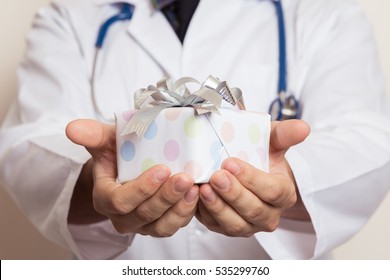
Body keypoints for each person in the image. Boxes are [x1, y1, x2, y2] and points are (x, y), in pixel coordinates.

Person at [0, 0, 389, 260]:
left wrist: (291, 181)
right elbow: (26, 141)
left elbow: (368, 138)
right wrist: (91, 181)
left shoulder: (322, 9)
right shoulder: (72, 11)